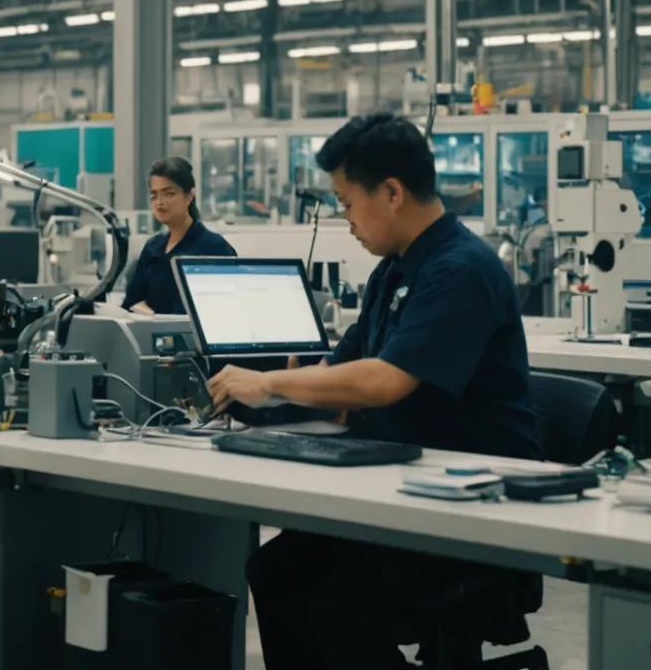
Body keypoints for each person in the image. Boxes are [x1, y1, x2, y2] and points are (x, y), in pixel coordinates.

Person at [205, 113, 543, 669]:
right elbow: (347, 383)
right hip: (402, 490)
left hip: (474, 511)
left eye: (345, 201)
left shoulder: (460, 269)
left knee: (334, 602)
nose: (345, 219)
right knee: (275, 570)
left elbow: (383, 381)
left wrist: (269, 382)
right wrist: (271, 396)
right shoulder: (394, 271)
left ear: (390, 193)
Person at [121, 157, 235, 315]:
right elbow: (131, 302)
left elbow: (226, 307)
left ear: (189, 196)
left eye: (169, 194)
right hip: (151, 335)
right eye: (154, 195)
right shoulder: (153, 247)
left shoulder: (214, 247)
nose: (159, 203)